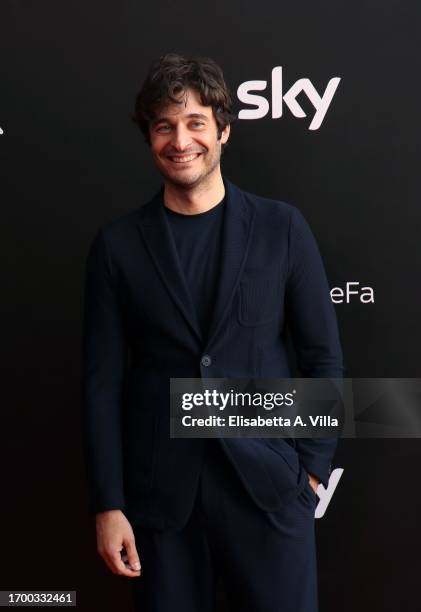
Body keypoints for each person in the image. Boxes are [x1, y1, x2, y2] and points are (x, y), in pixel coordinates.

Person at [82, 53, 343, 612]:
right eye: (164, 126)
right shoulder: (117, 247)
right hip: (161, 504)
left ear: (223, 130)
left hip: (270, 492)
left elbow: (323, 358)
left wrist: (314, 473)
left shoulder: (282, 228)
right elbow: (101, 386)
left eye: (196, 122)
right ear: (150, 138)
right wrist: (109, 504)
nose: (181, 140)